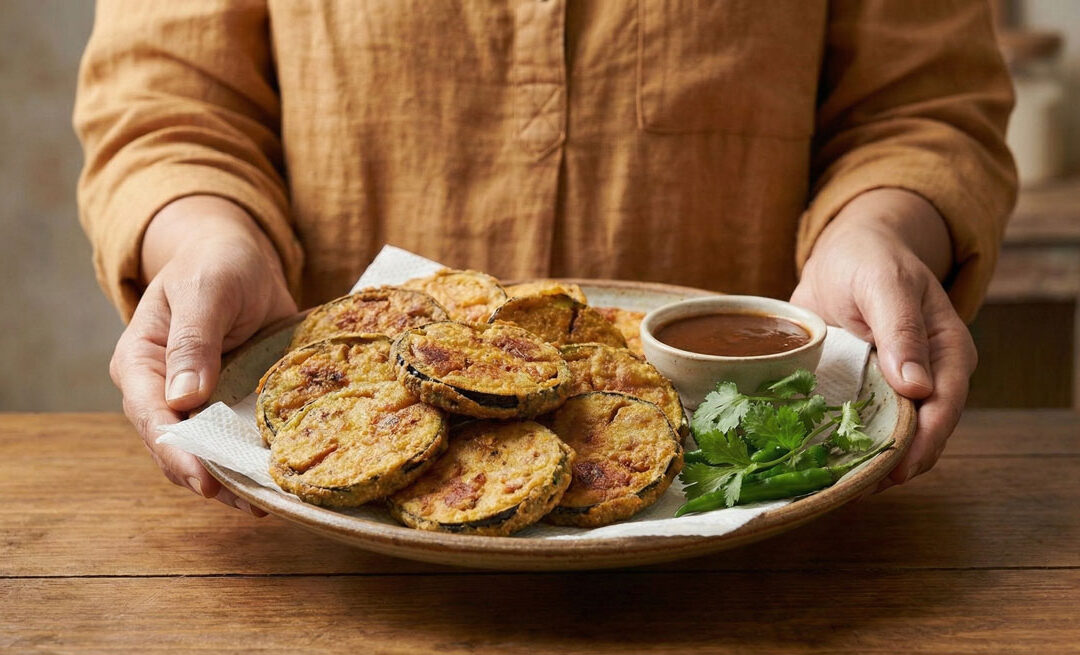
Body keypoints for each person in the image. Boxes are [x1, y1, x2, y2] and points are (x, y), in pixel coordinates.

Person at [74, 1, 1016, 515]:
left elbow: (923, 108)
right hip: (327, 557)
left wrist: (881, 227)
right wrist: (205, 234)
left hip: (755, 530)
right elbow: (168, 106)